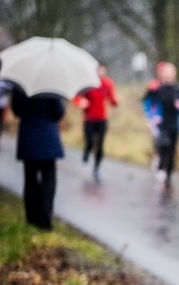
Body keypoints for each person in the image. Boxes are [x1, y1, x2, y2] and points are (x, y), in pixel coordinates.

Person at [10, 84, 66, 230]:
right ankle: (45, 220)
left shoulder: (20, 86)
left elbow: (16, 111)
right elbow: (58, 112)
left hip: (28, 136)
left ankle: (32, 218)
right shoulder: (50, 86)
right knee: (49, 180)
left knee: (30, 179)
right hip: (48, 138)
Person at [142, 62, 179, 185]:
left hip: (174, 124)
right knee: (163, 146)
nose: (169, 75)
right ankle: (160, 167)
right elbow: (147, 104)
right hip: (160, 124)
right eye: (166, 73)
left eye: (171, 73)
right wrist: (153, 117)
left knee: (172, 150)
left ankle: (168, 175)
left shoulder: (178, 89)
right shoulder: (156, 89)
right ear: (162, 74)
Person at [73, 63, 119, 181]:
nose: (100, 73)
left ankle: (96, 169)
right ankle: (87, 151)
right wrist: (81, 102)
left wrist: (117, 101)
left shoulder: (108, 84)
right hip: (89, 119)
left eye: (103, 71)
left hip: (102, 119)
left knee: (100, 144)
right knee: (90, 141)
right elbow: (77, 98)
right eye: (98, 71)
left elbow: (112, 100)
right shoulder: (88, 84)